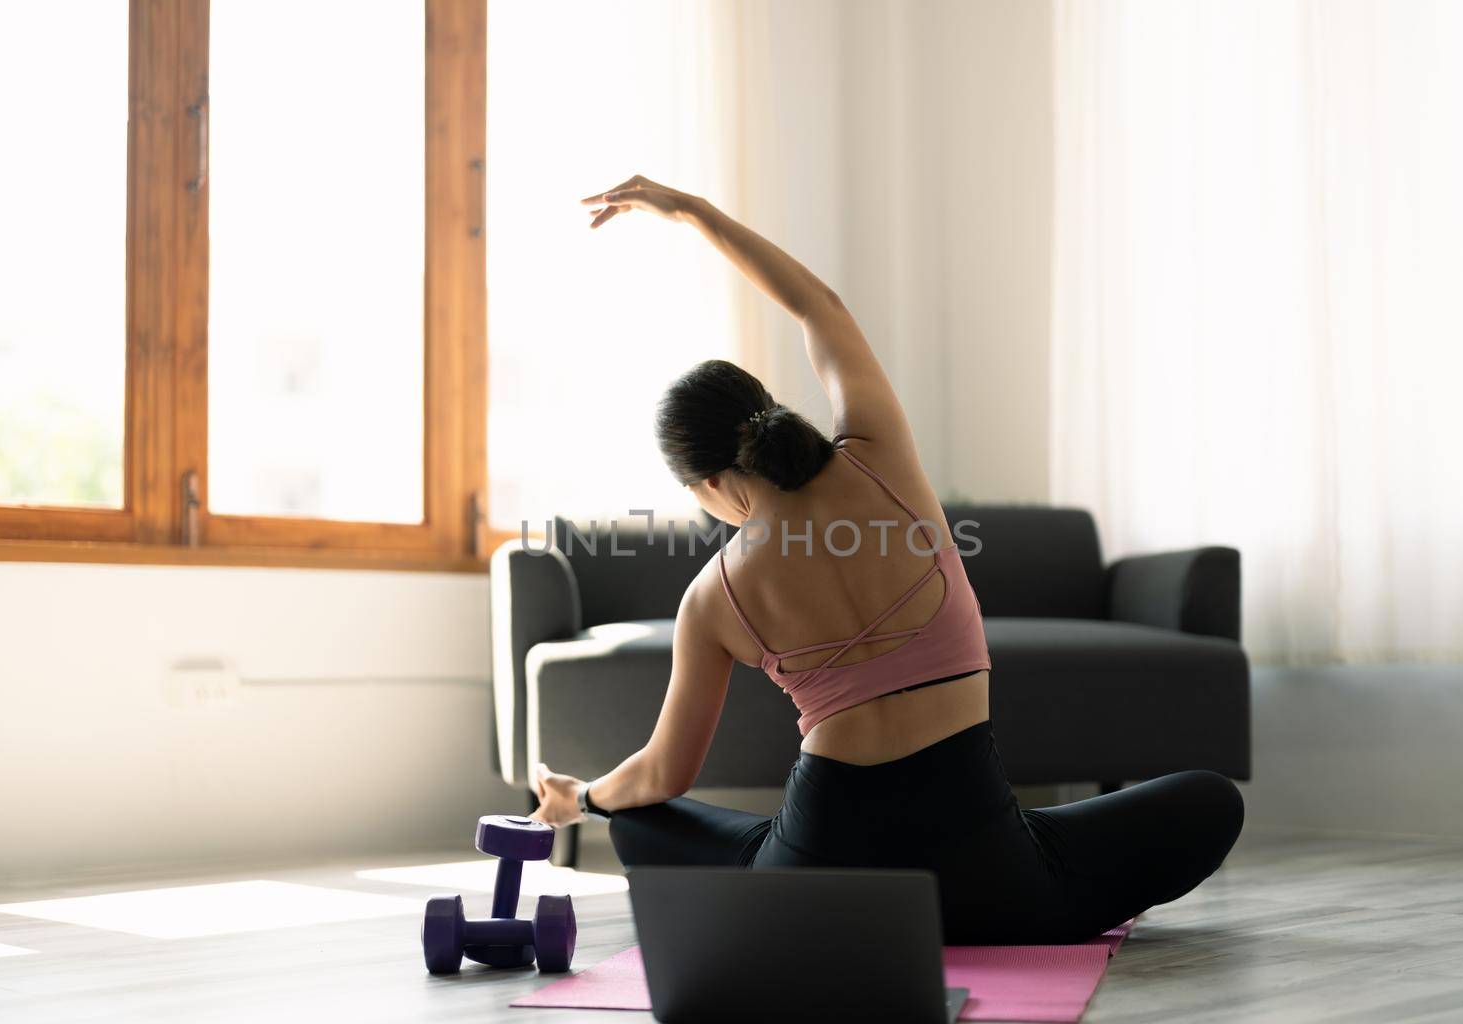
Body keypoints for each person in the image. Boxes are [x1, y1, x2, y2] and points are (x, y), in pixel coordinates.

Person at [527, 174, 1243, 944]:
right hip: (993, 872)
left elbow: (663, 775)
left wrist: (587, 798)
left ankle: (847, 908)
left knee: (643, 823)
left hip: (818, 875)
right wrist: (691, 211)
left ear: (703, 484)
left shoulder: (712, 597)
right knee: (1208, 800)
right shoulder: (879, 458)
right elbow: (816, 304)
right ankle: (982, 871)